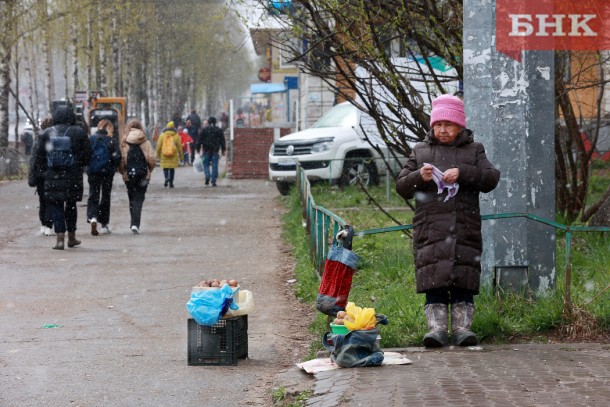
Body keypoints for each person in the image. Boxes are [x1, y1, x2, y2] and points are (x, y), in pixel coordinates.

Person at [395, 94, 500, 348]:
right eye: (438, 125)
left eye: (448, 125)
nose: (442, 130)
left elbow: (490, 178)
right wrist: (419, 175)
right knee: (435, 278)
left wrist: (463, 174)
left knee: (464, 276)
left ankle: (463, 329)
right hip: (430, 229)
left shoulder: (474, 150)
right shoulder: (420, 152)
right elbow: (402, 186)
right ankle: (437, 329)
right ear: (432, 126)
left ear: (459, 126)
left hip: (465, 227)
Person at [32, 105, 93, 250]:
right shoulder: (79, 133)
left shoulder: (47, 133)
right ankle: (72, 237)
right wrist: (78, 164)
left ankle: (60, 239)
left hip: (52, 176)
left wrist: (44, 172)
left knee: (56, 205)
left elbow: (38, 156)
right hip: (73, 176)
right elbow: (88, 154)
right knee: (71, 206)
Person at [118, 119, 156, 234]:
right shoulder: (146, 141)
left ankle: (133, 223)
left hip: (129, 176)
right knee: (139, 199)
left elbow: (122, 161)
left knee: (132, 199)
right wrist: (148, 169)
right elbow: (152, 159)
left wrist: (123, 171)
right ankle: (135, 224)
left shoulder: (124, 141)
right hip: (143, 175)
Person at [86, 119, 121, 235]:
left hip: (93, 172)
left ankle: (93, 217)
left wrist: (88, 168)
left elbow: (85, 155)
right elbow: (117, 157)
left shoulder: (91, 140)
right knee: (106, 196)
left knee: (93, 195)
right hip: (107, 172)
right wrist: (113, 167)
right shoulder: (112, 141)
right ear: (109, 128)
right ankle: (104, 224)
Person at [27, 117, 54, 236]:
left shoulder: (38, 140)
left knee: (42, 200)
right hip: (53, 174)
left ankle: (43, 224)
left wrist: (32, 176)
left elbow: (33, 160)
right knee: (51, 201)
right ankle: (49, 225)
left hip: (40, 175)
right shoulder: (55, 139)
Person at [197, 116, 226, 187]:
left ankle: (207, 176)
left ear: (208, 122)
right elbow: (222, 141)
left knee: (206, 164)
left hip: (206, 150)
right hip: (215, 150)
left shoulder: (204, 130)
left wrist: (198, 149)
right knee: (214, 165)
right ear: (215, 122)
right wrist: (223, 149)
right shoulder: (219, 130)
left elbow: (199, 140)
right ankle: (213, 181)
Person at [156, 121, 183, 188]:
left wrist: (158, 155)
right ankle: (171, 183)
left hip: (164, 154)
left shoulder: (162, 135)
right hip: (173, 154)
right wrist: (181, 157)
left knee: (165, 168)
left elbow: (158, 146)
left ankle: (166, 178)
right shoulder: (176, 135)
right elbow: (179, 147)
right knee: (171, 169)